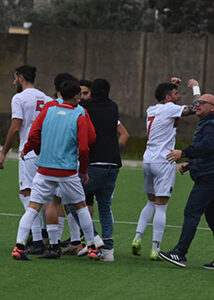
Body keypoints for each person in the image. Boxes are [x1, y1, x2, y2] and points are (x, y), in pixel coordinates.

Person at [11, 80, 100, 261]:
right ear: (76, 96)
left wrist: (29, 149)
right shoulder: (80, 114)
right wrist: (83, 170)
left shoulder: (49, 109)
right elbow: (85, 146)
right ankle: (92, 247)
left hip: (44, 169)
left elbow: (34, 133)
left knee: (33, 207)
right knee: (80, 207)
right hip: (66, 171)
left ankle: (19, 246)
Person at [159, 93, 214, 270]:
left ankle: (180, 253)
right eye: (196, 102)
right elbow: (211, 152)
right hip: (213, 176)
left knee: (191, 212)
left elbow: (206, 147)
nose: (196, 105)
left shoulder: (211, 126)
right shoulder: (212, 124)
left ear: (212, 108)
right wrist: (191, 164)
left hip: (209, 178)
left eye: (201, 103)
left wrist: (182, 153)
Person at [131, 78, 199, 261]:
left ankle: (137, 237)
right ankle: (155, 248)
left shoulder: (151, 109)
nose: (178, 96)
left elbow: (167, 101)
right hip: (164, 160)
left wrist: (173, 86)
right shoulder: (171, 108)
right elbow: (196, 108)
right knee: (162, 207)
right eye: (176, 93)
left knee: (150, 203)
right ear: (168, 97)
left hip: (148, 160)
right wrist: (196, 88)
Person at [0, 65, 52, 255]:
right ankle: (45, 235)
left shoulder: (19, 98)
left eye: (14, 78)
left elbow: (15, 128)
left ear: (21, 78)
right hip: (46, 153)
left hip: (28, 152)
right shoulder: (47, 99)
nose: (13, 83)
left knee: (28, 194)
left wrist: (4, 152)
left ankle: (36, 239)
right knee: (45, 195)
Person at [81, 78, 121, 262]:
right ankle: (109, 251)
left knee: (73, 200)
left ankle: (93, 237)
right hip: (113, 163)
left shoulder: (85, 108)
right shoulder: (113, 107)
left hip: (94, 162)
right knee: (105, 206)